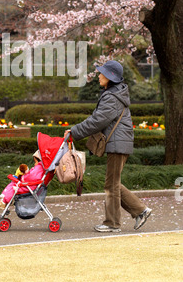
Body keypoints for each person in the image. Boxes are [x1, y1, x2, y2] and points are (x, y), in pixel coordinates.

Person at [64, 60, 152, 232]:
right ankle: (140, 210)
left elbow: (97, 121)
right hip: (119, 142)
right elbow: (97, 119)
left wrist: (74, 132)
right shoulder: (112, 93)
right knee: (113, 182)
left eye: (101, 73)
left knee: (111, 184)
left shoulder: (112, 97)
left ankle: (112, 223)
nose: (98, 76)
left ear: (110, 77)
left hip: (118, 144)